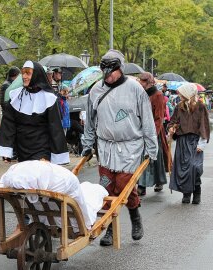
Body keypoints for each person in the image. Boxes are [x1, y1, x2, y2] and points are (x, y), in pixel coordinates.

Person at [81, 49, 158, 246]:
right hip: (106, 147)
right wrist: (87, 144)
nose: (109, 74)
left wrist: (151, 148)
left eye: (113, 70)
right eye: (105, 70)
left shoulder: (135, 89)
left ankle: (135, 217)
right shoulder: (95, 91)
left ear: (120, 69)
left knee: (124, 187)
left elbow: (148, 121)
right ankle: (108, 228)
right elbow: (90, 121)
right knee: (106, 188)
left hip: (130, 147)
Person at [0, 60, 69, 165]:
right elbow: (8, 124)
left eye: (28, 73)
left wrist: (58, 154)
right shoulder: (16, 97)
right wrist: (7, 150)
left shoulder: (49, 98)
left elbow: (55, 128)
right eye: (23, 73)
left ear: (36, 75)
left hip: (42, 149)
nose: (24, 76)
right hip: (22, 149)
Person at [168, 83, 210, 204]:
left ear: (187, 93)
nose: (179, 95)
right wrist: (172, 128)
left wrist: (202, 144)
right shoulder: (179, 106)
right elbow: (172, 121)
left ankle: (197, 191)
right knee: (183, 169)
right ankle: (186, 194)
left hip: (195, 141)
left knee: (195, 167)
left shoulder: (200, 106)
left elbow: (204, 125)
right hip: (182, 142)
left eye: (181, 93)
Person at [137, 72, 171, 195]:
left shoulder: (158, 95)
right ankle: (142, 184)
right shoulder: (142, 94)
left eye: (143, 81)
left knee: (156, 158)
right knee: (142, 158)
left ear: (149, 82)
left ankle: (158, 181)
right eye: (141, 81)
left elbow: (159, 118)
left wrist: (152, 134)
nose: (141, 84)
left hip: (155, 131)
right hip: (142, 131)